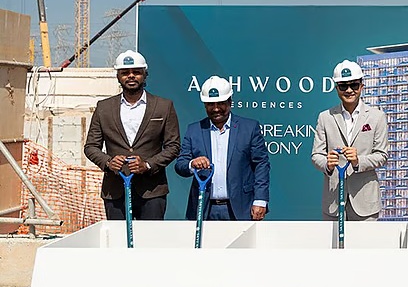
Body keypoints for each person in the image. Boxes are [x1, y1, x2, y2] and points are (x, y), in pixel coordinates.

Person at [84, 50, 181, 220]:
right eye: (125, 72)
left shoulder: (163, 106)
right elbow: (91, 147)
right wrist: (108, 162)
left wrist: (148, 165)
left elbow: (173, 146)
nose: (131, 76)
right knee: (118, 237)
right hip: (115, 190)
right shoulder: (104, 107)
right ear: (118, 76)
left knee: (150, 237)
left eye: (136, 72)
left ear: (145, 74)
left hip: (152, 191)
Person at [174, 76, 270, 221]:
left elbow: (261, 164)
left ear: (230, 102)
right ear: (205, 105)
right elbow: (180, 165)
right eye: (210, 104)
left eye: (221, 103)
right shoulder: (194, 130)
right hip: (204, 209)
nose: (216, 108)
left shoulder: (249, 128)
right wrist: (192, 164)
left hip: (242, 208)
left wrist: (260, 200)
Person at [311, 60, 388, 220]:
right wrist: (327, 164)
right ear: (336, 88)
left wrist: (358, 161)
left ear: (361, 86)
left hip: (365, 203)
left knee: (364, 238)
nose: (349, 90)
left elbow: (382, 155)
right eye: (343, 86)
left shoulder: (377, 116)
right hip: (333, 203)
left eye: (354, 85)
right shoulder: (325, 117)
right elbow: (316, 155)